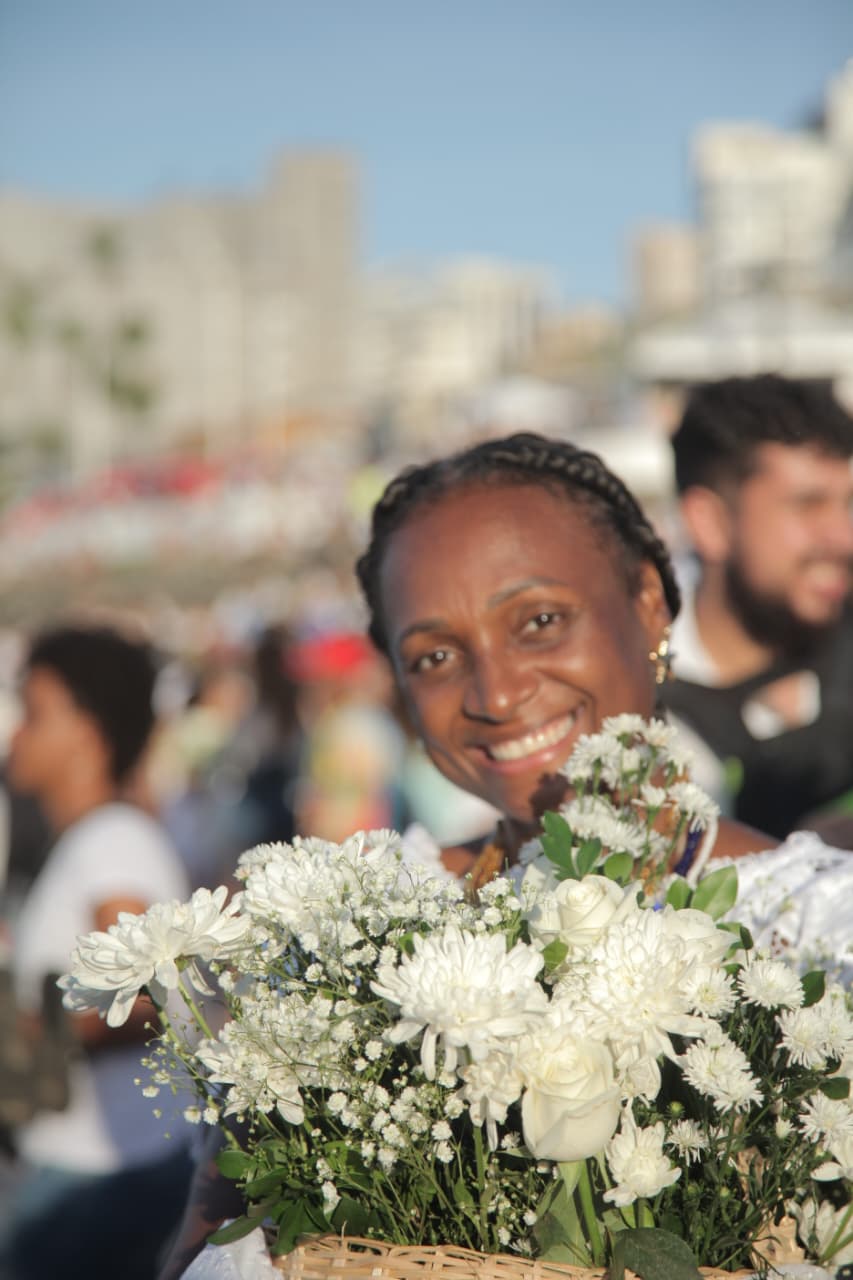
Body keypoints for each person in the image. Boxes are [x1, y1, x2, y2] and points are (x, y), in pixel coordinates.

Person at [160, 431, 786, 1279]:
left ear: (648, 602)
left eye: (539, 621)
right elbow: (204, 1247)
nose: (495, 693)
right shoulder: (355, 934)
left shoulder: (817, 927)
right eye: (436, 657)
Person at [1, 624, 194, 1280]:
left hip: (104, 1176)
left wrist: (31, 1028)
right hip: (91, 1169)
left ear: (88, 730)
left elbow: (144, 1000)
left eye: (34, 713)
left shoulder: (112, 842)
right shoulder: (94, 840)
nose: (16, 734)